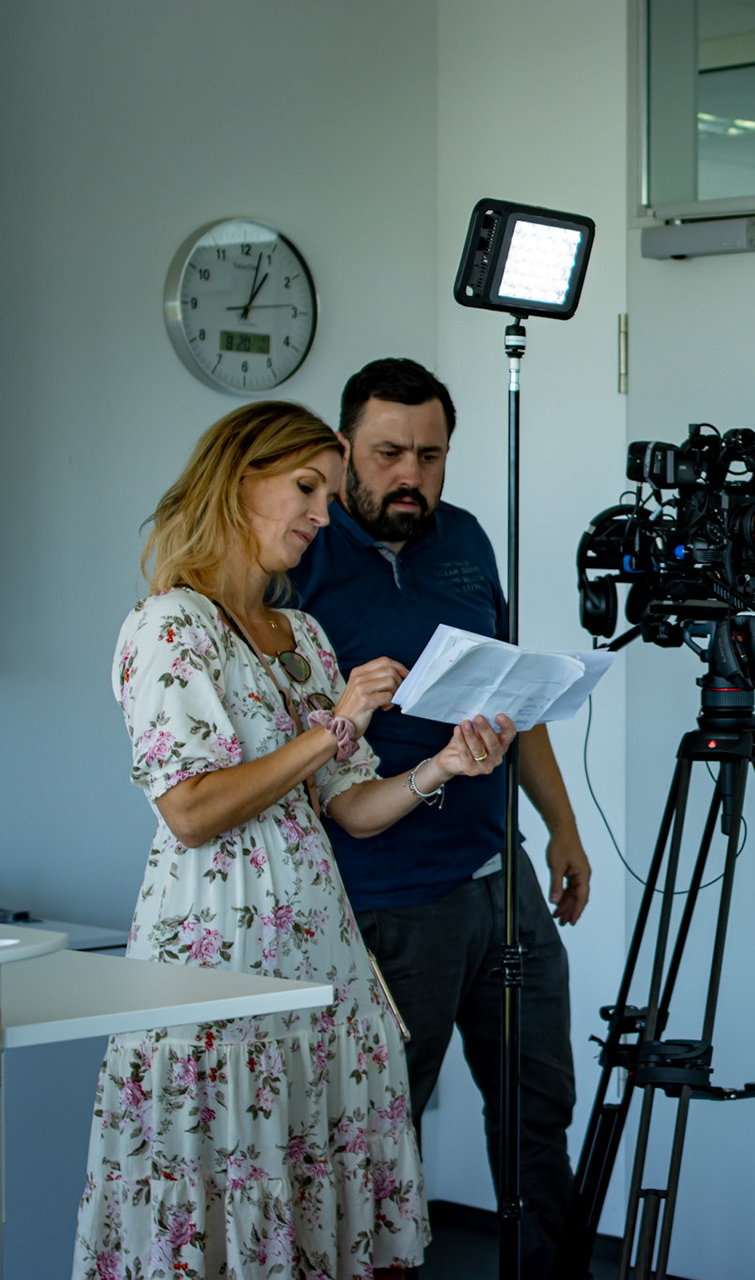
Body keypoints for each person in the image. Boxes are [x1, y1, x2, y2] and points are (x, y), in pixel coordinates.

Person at [78, 402, 516, 1279]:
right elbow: (190, 810)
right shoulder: (168, 626)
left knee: (317, 1209)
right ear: (237, 481)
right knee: (223, 1195)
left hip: (324, 966)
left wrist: (441, 766)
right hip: (216, 966)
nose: (323, 514)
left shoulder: (304, 636)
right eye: (306, 489)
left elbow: (350, 808)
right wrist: (337, 725)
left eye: (328, 494)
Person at [287, 357, 591, 1275]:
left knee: (539, 1108)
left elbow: (514, 698)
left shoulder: (464, 539)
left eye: (430, 455)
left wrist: (562, 827)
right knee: (385, 1129)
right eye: (388, 454)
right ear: (343, 449)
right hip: (384, 896)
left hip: (500, 876)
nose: (410, 476)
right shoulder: (302, 555)